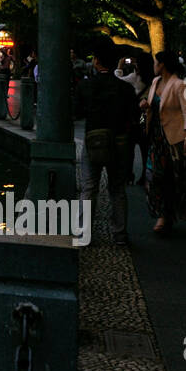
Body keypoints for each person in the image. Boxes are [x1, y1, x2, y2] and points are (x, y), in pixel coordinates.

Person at [140, 50, 186, 234]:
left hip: (173, 139)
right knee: (154, 177)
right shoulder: (154, 82)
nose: (154, 66)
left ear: (162, 65)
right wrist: (145, 106)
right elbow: (151, 108)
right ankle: (162, 214)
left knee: (171, 179)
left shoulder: (180, 85)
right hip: (156, 138)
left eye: (156, 63)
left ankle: (166, 216)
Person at [79, 43, 140, 245]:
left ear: (96, 62)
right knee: (117, 189)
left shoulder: (87, 85)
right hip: (120, 141)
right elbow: (134, 117)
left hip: (93, 139)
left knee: (89, 187)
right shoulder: (125, 88)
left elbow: (76, 111)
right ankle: (120, 234)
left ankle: (84, 233)